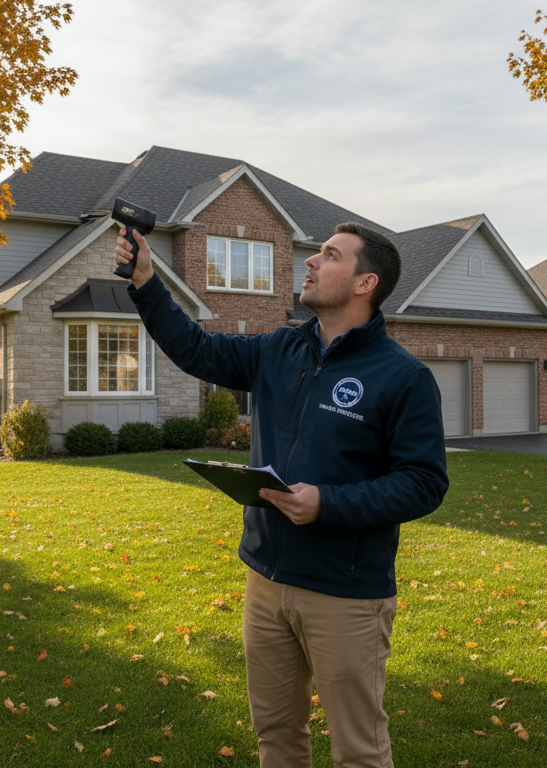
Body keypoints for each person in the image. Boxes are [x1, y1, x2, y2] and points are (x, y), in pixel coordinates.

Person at [117, 222, 449, 768]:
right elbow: (197, 350)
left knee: (358, 750)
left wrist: (328, 503)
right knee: (276, 735)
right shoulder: (280, 349)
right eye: (315, 252)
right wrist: (148, 283)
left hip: (345, 594)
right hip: (266, 581)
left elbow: (424, 482)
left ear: (365, 282)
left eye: (329, 255)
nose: (311, 263)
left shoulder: (403, 377)